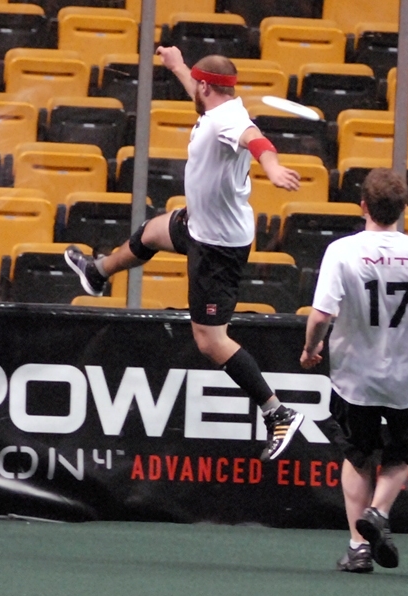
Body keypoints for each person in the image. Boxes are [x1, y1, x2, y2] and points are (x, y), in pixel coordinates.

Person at [64, 48, 304, 462]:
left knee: (210, 340)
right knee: (154, 231)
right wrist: (176, 64)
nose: (195, 89)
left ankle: (277, 412)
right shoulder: (220, 103)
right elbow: (202, 91)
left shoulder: (227, 119)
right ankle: (99, 271)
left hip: (218, 247)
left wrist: (272, 166)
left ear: (207, 87)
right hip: (200, 221)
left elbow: (255, 139)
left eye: (197, 84)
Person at [300, 168, 408, 574]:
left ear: (363, 206)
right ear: (403, 209)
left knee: (356, 457)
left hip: (355, 375)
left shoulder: (342, 251)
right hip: (407, 376)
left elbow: (321, 315)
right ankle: (379, 511)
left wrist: (310, 347)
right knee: (401, 453)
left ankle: (358, 547)